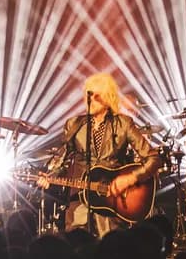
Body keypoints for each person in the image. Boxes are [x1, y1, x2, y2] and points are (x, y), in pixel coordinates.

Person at [39, 73, 159, 237]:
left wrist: (131, 178)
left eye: (96, 95)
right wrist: (49, 178)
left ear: (108, 97)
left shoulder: (123, 123)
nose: (90, 99)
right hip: (79, 204)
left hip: (112, 204)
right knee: (77, 250)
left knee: (110, 253)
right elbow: (62, 163)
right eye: (88, 94)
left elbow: (154, 158)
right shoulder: (74, 124)